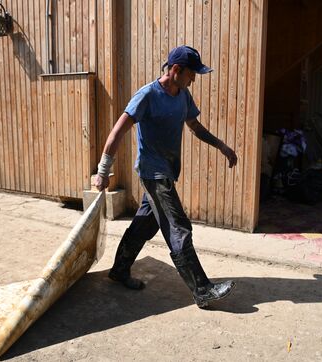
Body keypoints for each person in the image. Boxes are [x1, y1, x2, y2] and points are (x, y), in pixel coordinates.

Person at [95, 45, 238, 309]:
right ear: (175, 70)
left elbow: (195, 126)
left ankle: (119, 270)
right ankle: (203, 290)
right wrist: (103, 170)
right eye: (191, 74)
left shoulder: (183, 95)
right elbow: (118, 131)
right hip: (153, 172)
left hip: (168, 171)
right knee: (178, 226)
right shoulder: (147, 95)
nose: (193, 79)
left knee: (145, 225)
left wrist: (221, 146)